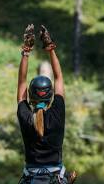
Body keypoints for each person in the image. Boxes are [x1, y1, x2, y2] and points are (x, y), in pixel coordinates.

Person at [17, 24, 77, 184]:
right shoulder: (57, 112)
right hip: (55, 178)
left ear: (29, 96)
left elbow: (21, 82)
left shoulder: (25, 116)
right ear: (51, 96)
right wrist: (50, 49)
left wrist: (26, 52)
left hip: (30, 178)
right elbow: (59, 77)